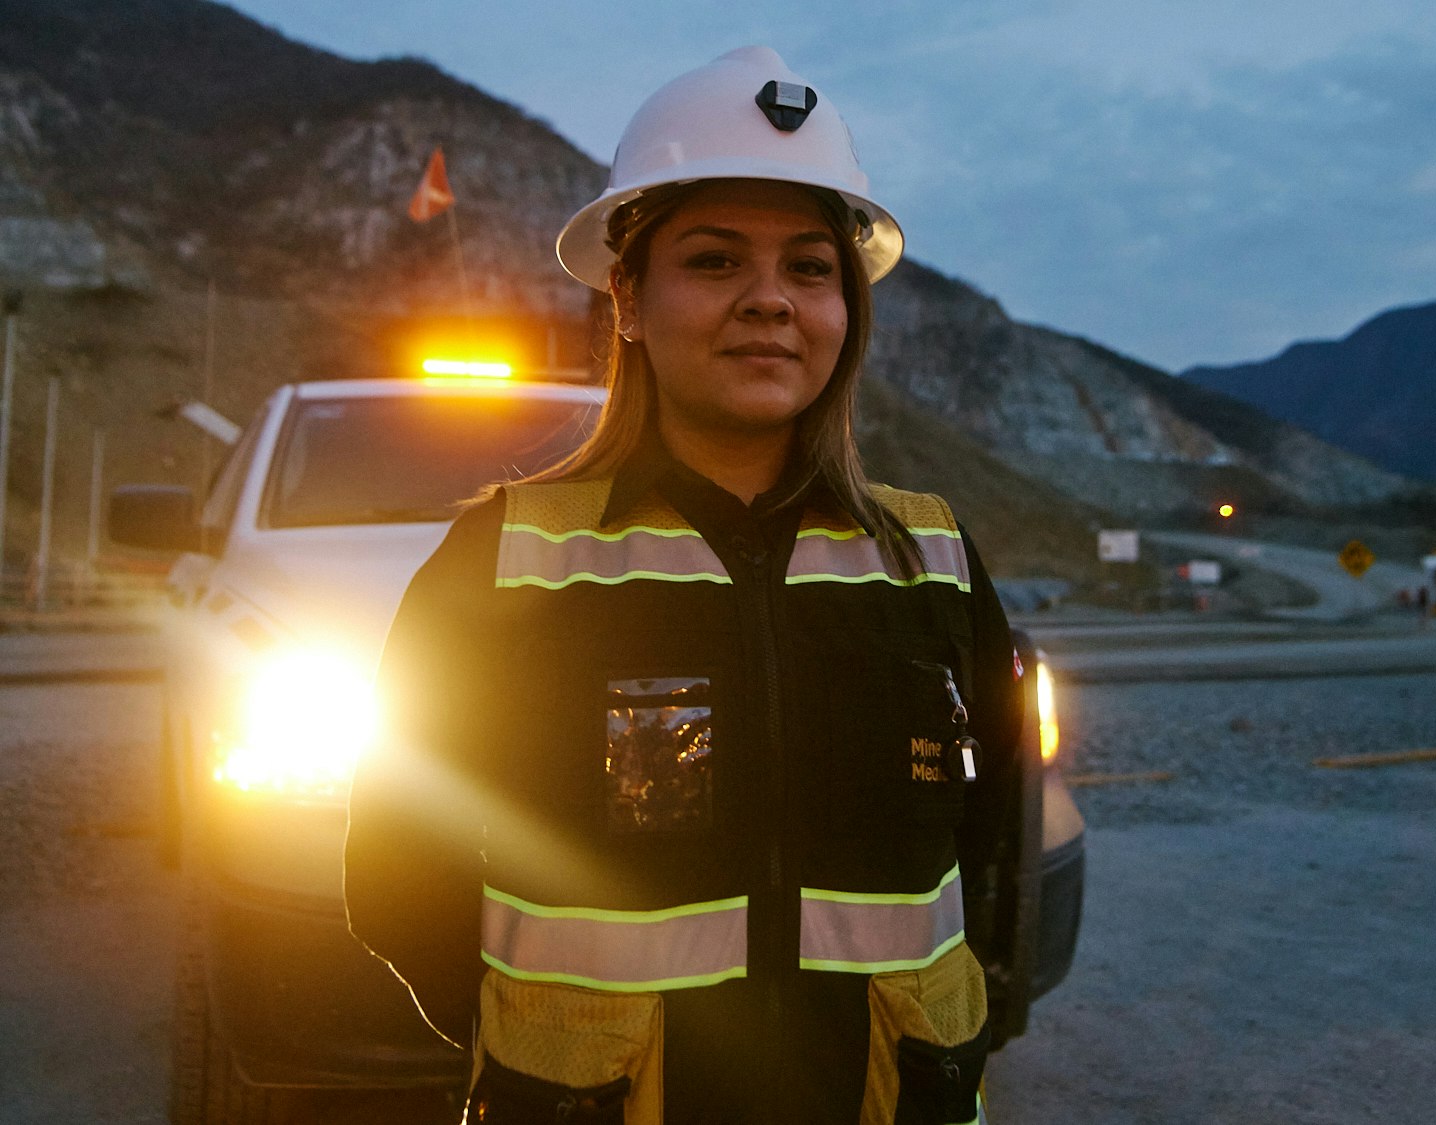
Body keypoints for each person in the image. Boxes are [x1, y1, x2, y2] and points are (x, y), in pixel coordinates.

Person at [344, 46, 1023, 1124]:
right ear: (628, 298)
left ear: (848, 308)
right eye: (714, 262)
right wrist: (535, 1052)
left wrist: (960, 1028)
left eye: (810, 268)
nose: (770, 301)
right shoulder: (506, 561)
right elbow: (397, 865)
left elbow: (1000, 844)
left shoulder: (927, 558)